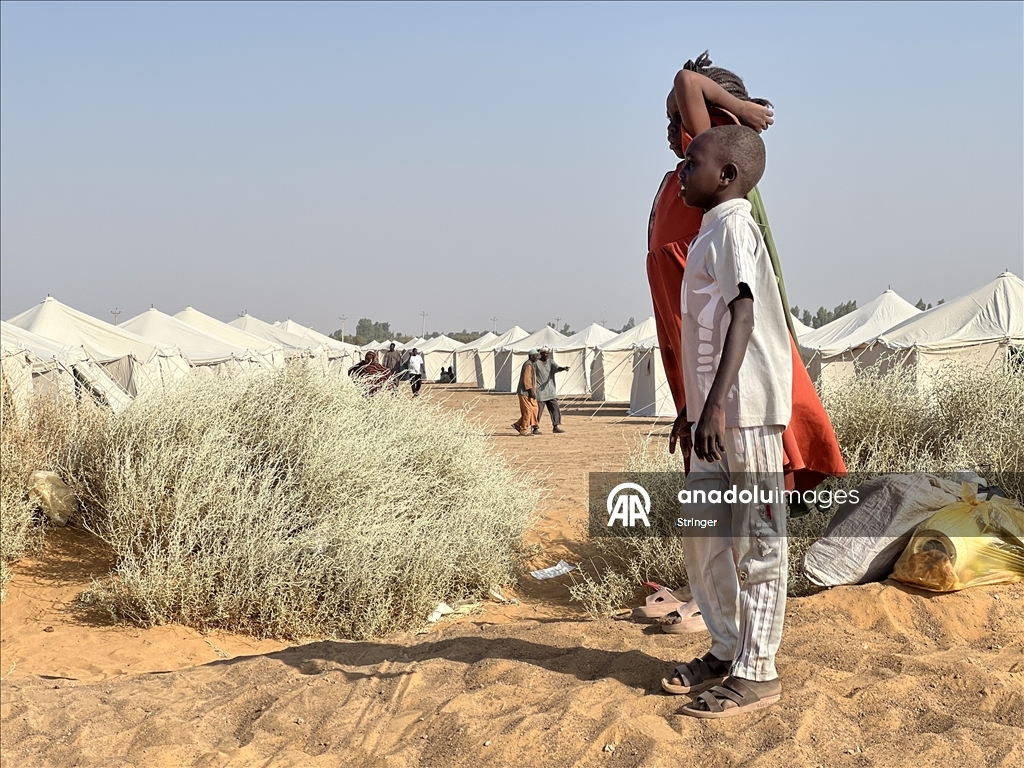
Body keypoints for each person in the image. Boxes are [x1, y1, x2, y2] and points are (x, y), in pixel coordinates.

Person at [648, 51, 845, 491]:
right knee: (716, 498)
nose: (670, 131)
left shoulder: (713, 167)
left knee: (748, 502)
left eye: (676, 117)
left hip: (723, 376)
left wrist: (739, 111)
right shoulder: (687, 181)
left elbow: (686, 80)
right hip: (693, 350)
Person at [660, 125, 791, 718]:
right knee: (704, 532)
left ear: (728, 176)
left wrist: (712, 405)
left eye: (693, 161)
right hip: (714, 414)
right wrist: (692, 406)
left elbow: (743, 313)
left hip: (748, 410)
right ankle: (726, 647)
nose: (682, 170)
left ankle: (758, 672)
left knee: (758, 542)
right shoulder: (709, 229)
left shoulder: (736, 224)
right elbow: (706, 332)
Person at [532, 347, 568, 434]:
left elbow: (557, 368)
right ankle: (535, 428)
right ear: (541, 354)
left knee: (555, 409)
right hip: (540, 392)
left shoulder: (551, 362)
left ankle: (555, 426)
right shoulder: (536, 363)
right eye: (544, 353)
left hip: (550, 391)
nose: (546, 355)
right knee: (538, 410)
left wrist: (563, 368)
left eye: (548, 353)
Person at [511, 349, 539, 436]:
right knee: (528, 411)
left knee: (534, 409)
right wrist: (531, 390)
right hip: (525, 392)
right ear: (531, 356)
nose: (537, 357)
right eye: (535, 355)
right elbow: (527, 379)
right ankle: (523, 430)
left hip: (530, 392)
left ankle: (517, 424)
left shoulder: (532, 364)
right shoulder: (528, 365)